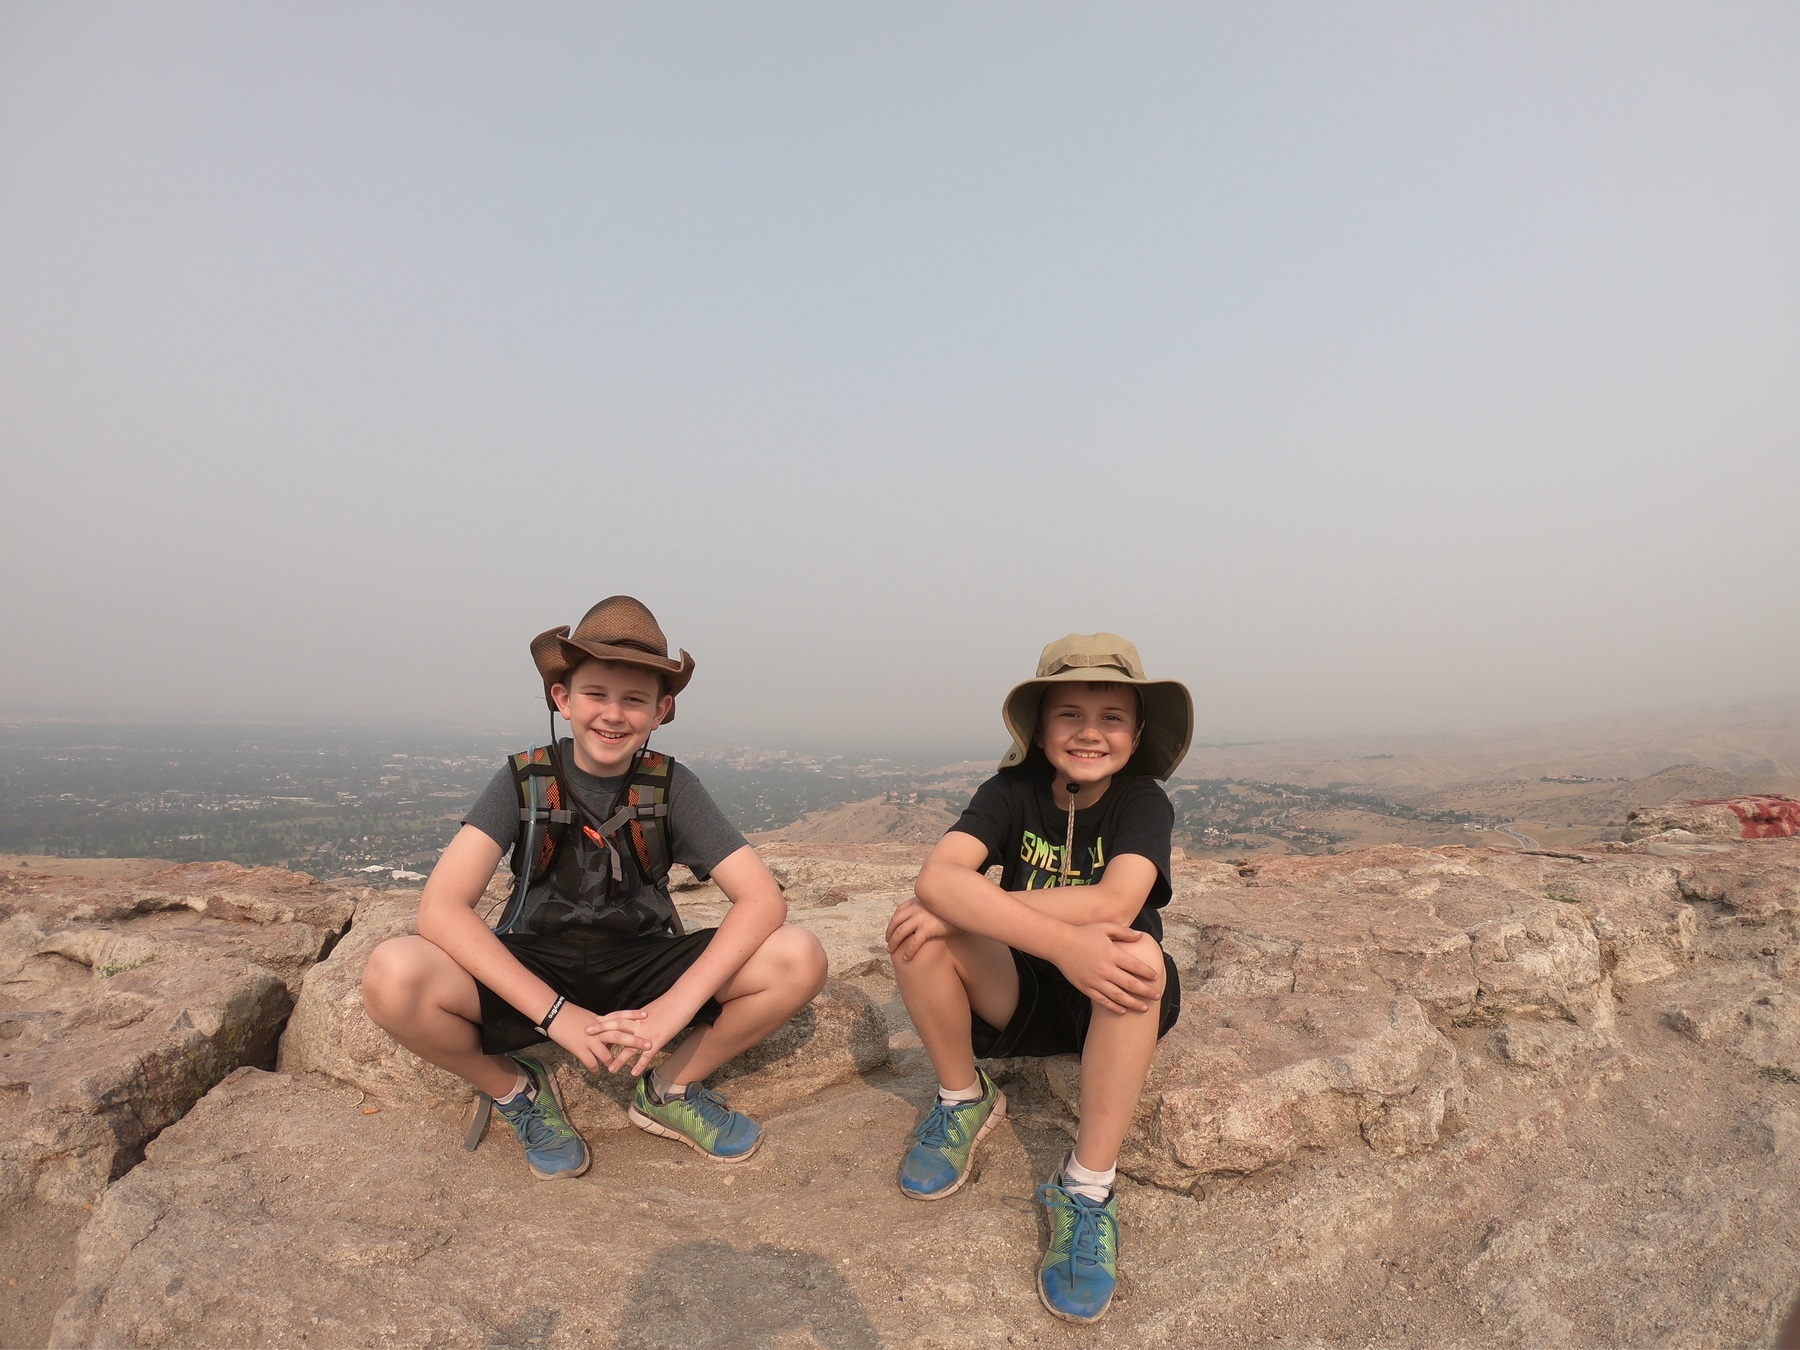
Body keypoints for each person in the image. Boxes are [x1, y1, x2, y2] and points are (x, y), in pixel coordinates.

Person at [363, 596, 827, 1180]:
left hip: (643, 963)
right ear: (563, 698)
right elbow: (440, 909)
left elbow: (763, 900)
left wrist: (667, 1013)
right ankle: (516, 1091)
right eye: (595, 695)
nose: (613, 714)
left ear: (661, 711)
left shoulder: (671, 787)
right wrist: (557, 1016)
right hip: (536, 964)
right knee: (392, 974)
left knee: (798, 956)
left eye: (635, 700)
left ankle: (671, 1086)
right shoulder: (525, 781)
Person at [886, 632, 1190, 1323]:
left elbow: (1117, 902)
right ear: (1040, 728)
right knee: (914, 926)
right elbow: (936, 877)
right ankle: (963, 1097)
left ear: (1137, 732)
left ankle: (1087, 1189)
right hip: (1022, 988)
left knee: (1139, 955)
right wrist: (1050, 941)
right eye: (1069, 714)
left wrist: (995, 917)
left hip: (1108, 999)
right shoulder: (1010, 791)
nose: (1090, 732)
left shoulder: (1142, 803)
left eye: (1111, 716)